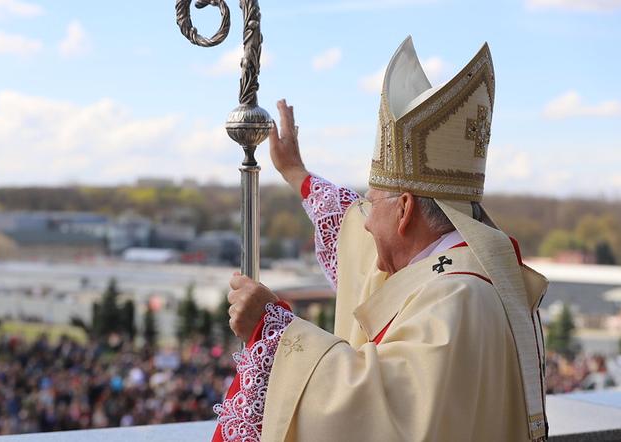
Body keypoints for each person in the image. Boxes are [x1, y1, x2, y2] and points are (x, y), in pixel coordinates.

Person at [212, 36, 548, 442]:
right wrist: (297, 174)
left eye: (374, 204)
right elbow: (353, 226)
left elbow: (381, 413)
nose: (366, 223)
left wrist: (272, 328)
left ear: (405, 210)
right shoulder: (466, 262)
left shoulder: (455, 299)